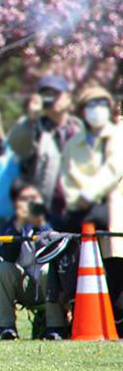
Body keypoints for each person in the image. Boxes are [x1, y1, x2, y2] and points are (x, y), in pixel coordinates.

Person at [58, 85, 123, 332]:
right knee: (97, 272)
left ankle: (115, 326)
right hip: (91, 216)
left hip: (113, 212)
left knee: (115, 271)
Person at [0, 179, 58, 340]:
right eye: (25, 199)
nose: (30, 203)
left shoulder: (52, 220)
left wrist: (41, 224)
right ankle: (6, 327)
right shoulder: (10, 225)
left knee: (47, 270)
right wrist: (18, 226)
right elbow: (6, 256)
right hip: (26, 286)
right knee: (2, 268)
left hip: (51, 284)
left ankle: (55, 327)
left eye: (34, 198)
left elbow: (53, 251)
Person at [8, 74, 82, 214]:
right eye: (46, 94)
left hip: (77, 208)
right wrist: (31, 117)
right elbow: (16, 145)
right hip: (43, 211)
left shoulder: (80, 128)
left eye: (56, 94)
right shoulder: (34, 127)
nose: (51, 99)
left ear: (68, 97)